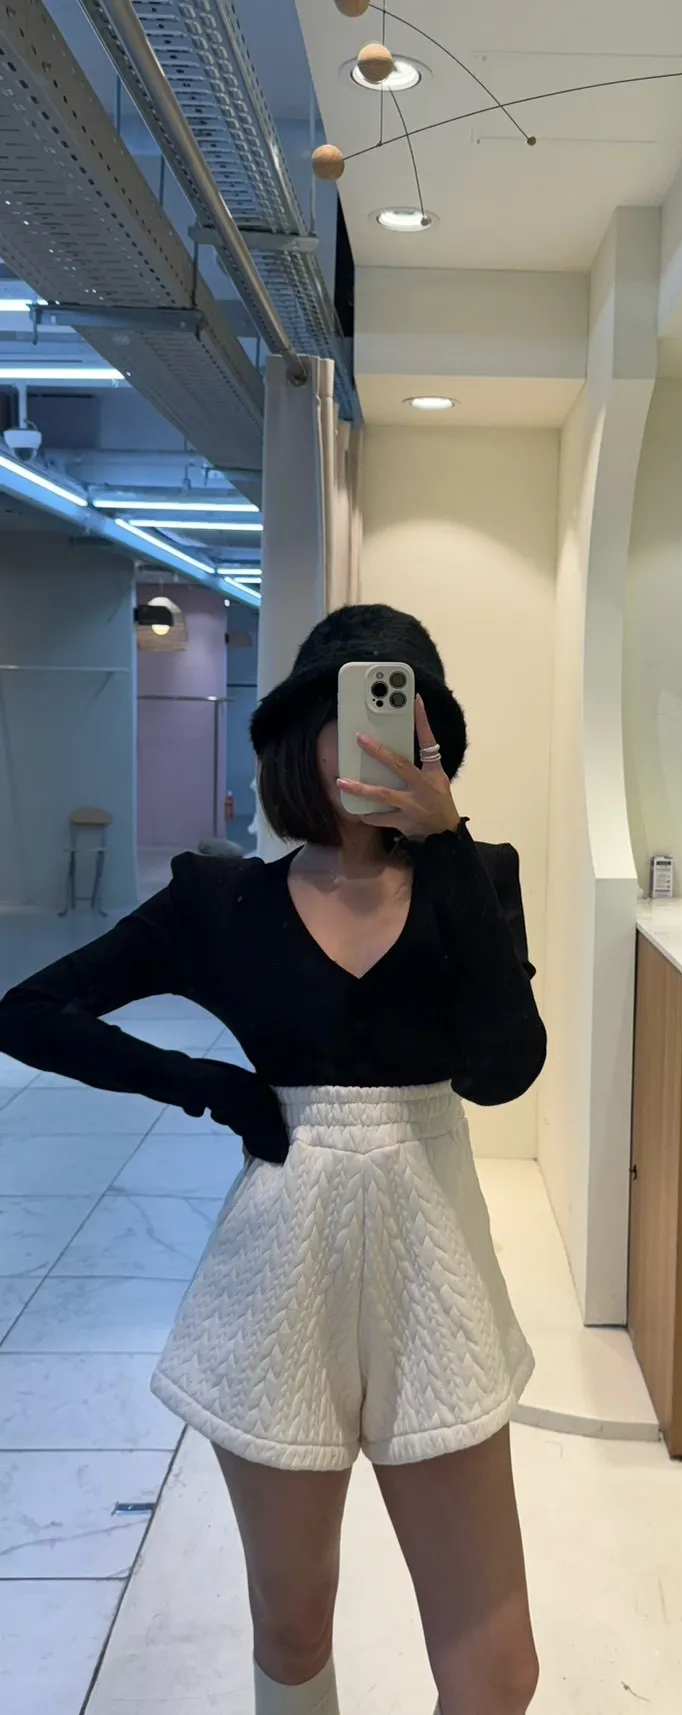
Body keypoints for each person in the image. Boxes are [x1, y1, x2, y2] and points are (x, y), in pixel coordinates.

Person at [0, 604, 546, 1715]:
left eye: (406, 715)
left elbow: (502, 1071)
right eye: (354, 708)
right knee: (291, 1631)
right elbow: (30, 1009)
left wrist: (443, 844)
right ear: (301, 731)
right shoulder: (225, 900)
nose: (381, 735)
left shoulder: (476, 877)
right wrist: (211, 1085)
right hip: (277, 1277)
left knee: (497, 1672)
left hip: (434, 1277)